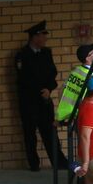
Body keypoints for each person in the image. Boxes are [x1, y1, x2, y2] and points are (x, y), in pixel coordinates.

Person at [13, 21, 65, 172]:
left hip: (44, 100)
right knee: (30, 134)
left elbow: (52, 73)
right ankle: (34, 164)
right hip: (29, 102)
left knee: (50, 132)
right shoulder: (22, 55)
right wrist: (39, 90)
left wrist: (48, 89)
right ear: (35, 37)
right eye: (43, 35)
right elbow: (24, 78)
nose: (45, 39)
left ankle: (59, 162)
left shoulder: (46, 53)